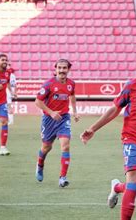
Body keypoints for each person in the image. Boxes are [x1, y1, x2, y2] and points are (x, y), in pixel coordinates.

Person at [80, 48, 136, 220]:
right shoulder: (132, 86)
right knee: (134, 183)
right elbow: (115, 109)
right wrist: (93, 128)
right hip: (132, 139)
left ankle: (116, 188)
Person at [35, 59, 79, 187]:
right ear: (55, 69)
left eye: (64, 68)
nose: (62, 70)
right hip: (49, 119)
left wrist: (75, 112)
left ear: (68, 69)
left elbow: (72, 96)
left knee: (65, 145)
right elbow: (38, 102)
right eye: (59, 68)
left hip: (64, 118)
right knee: (46, 147)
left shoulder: (71, 84)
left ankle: (62, 178)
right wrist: (51, 112)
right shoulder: (48, 84)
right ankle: (40, 164)